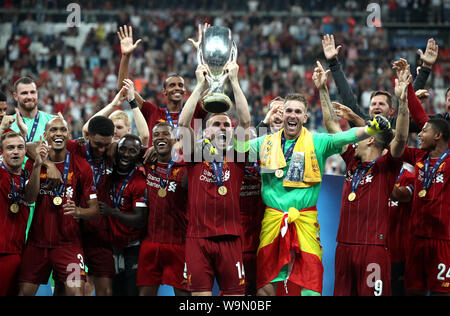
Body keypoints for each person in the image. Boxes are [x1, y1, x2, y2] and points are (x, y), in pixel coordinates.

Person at [250, 83, 393, 296]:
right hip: (272, 221)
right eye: (289, 110)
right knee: (266, 282)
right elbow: (236, 148)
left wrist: (370, 129)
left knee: (311, 283)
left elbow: (344, 137)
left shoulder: (317, 141)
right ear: (282, 113)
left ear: (305, 117)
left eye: (298, 111)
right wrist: (203, 144)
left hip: (306, 222)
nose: (292, 115)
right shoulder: (265, 143)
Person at [313, 60, 411, 296]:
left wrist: (404, 101)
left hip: (374, 249)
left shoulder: (387, 166)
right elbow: (332, 126)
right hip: (344, 246)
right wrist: (322, 89)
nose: (351, 140)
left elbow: (401, 139)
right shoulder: (352, 160)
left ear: (369, 139)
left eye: (358, 137)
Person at [178, 60, 251, 296]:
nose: (222, 127)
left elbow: (247, 121)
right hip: (198, 238)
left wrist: (235, 82)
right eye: (215, 124)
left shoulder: (238, 155)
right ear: (204, 131)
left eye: (226, 125)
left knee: (235, 299)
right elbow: (182, 123)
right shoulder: (195, 155)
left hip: (230, 238)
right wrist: (199, 86)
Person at [18, 117, 99, 296]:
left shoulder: (81, 166)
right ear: (45, 135)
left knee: (76, 293)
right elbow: (29, 198)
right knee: (23, 293)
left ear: (68, 135)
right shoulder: (34, 162)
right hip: (37, 244)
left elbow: (95, 210)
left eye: (62, 130)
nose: (58, 133)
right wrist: (40, 165)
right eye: (53, 130)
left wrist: (78, 211)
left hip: (68, 245)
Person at [321, 35, 438, 131]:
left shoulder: (398, 124)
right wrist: (333, 63)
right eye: (374, 104)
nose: (376, 107)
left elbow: (409, 104)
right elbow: (348, 99)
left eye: (381, 104)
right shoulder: (361, 121)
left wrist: (426, 67)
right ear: (369, 109)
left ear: (391, 110)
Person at [116, 25, 207, 146]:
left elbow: (214, 89)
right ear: (164, 91)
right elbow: (124, 88)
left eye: (180, 85)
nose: (177, 88)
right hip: (156, 164)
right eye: (172, 85)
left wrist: (204, 54)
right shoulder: (153, 112)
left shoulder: (195, 111)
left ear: (185, 91)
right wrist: (126, 57)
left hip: (187, 164)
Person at [138, 122, 190, 296]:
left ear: (175, 139)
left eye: (165, 134)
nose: (160, 137)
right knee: (145, 294)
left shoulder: (185, 170)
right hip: (151, 242)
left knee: (184, 295)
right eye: (157, 135)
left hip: (179, 243)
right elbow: (118, 147)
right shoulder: (146, 162)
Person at [401, 118, 450, 296]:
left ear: (437, 135)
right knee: (413, 292)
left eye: (424, 131)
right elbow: (397, 142)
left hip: (442, 240)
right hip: (416, 240)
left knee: (441, 293)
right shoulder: (418, 156)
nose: (419, 135)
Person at [98, 134, 148, 296]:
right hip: (108, 246)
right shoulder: (106, 173)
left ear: (138, 155)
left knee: (129, 292)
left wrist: (112, 212)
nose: (126, 154)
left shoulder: (140, 181)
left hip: (132, 247)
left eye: (132, 151)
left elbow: (140, 220)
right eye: (123, 149)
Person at [0, 131, 45, 295]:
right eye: (10, 148)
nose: (16, 151)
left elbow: (31, 197)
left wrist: (38, 165)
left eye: (20, 147)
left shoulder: (28, 173)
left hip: (17, 251)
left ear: (26, 152)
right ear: (2, 152)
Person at [82, 80, 150, 146]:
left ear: (128, 130)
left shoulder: (133, 148)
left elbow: (145, 136)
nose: (114, 131)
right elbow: (86, 130)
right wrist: (112, 105)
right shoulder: (102, 148)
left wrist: (132, 102)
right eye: (112, 127)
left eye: (119, 127)